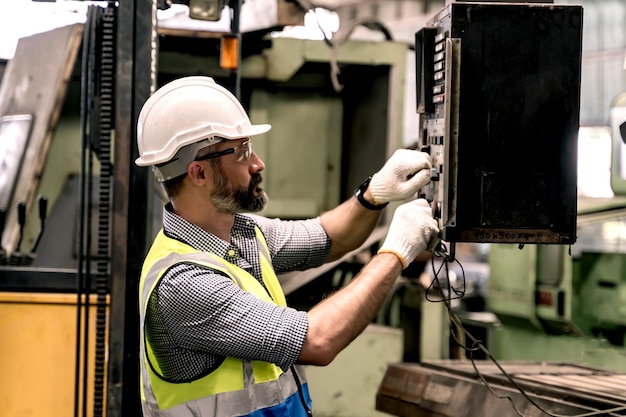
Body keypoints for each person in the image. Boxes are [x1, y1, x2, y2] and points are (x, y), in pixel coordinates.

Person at [134, 76, 440, 417]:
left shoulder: (241, 235)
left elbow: (327, 236)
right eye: (241, 152)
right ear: (199, 173)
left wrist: (374, 195)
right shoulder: (185, 284)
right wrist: (396, 252)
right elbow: (318, 340)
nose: (257, 163)